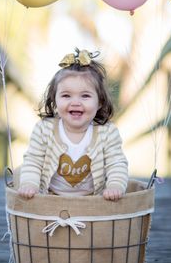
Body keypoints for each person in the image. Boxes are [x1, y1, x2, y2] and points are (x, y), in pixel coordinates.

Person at [18, 48, 128, 201]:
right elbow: (33, 161)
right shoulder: (44, 129)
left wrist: (115, 185)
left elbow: (116, 163)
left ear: (100, 102)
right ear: (54, 99)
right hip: (50, 199)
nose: (75, 102)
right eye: (66, 95)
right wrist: (30, 183)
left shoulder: (107, 132)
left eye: (85, 96)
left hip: (94, 201)